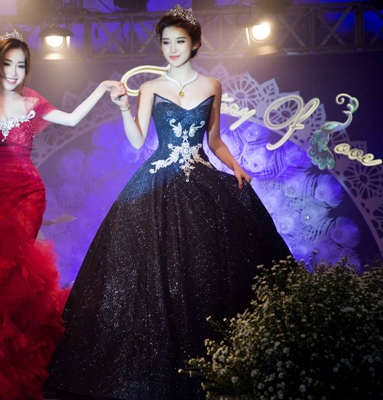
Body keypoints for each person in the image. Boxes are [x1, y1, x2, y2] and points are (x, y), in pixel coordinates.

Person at [48, 6, 291, 400]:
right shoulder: (149, 88)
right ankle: (156, 366)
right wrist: (123, 107)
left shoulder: (212, 85)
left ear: (195, 44)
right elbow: (136, 140)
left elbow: (214, 141)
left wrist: (236, 166)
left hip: (201, 184)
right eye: (166, 42)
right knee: (153, 273)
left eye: (180, 41)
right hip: (157, 185)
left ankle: (213, 364)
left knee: (204, 270)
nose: (172, 48)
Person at [0, 30, 120, 400]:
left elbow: (73, 118)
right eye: (8, 64)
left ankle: (23, 364)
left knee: (19, 272)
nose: (14, 72)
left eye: (22, 66)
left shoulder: (33, 102)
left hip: (28, 193)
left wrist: (103, 89)